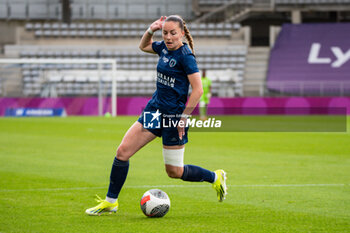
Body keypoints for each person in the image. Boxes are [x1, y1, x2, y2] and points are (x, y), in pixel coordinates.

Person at [85, 15, 227, 216]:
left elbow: (198, 90)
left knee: (174, 172)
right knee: (122, 152)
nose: (168, 37)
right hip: (154, 111)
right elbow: (143, 46)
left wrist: (184, 117)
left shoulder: (186, 57)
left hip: (173, 118)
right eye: (165, 33)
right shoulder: (162, 48)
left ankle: (215, 177)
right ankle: (111, 202)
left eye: (173, 33)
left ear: (182, 34)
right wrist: (151, 30)